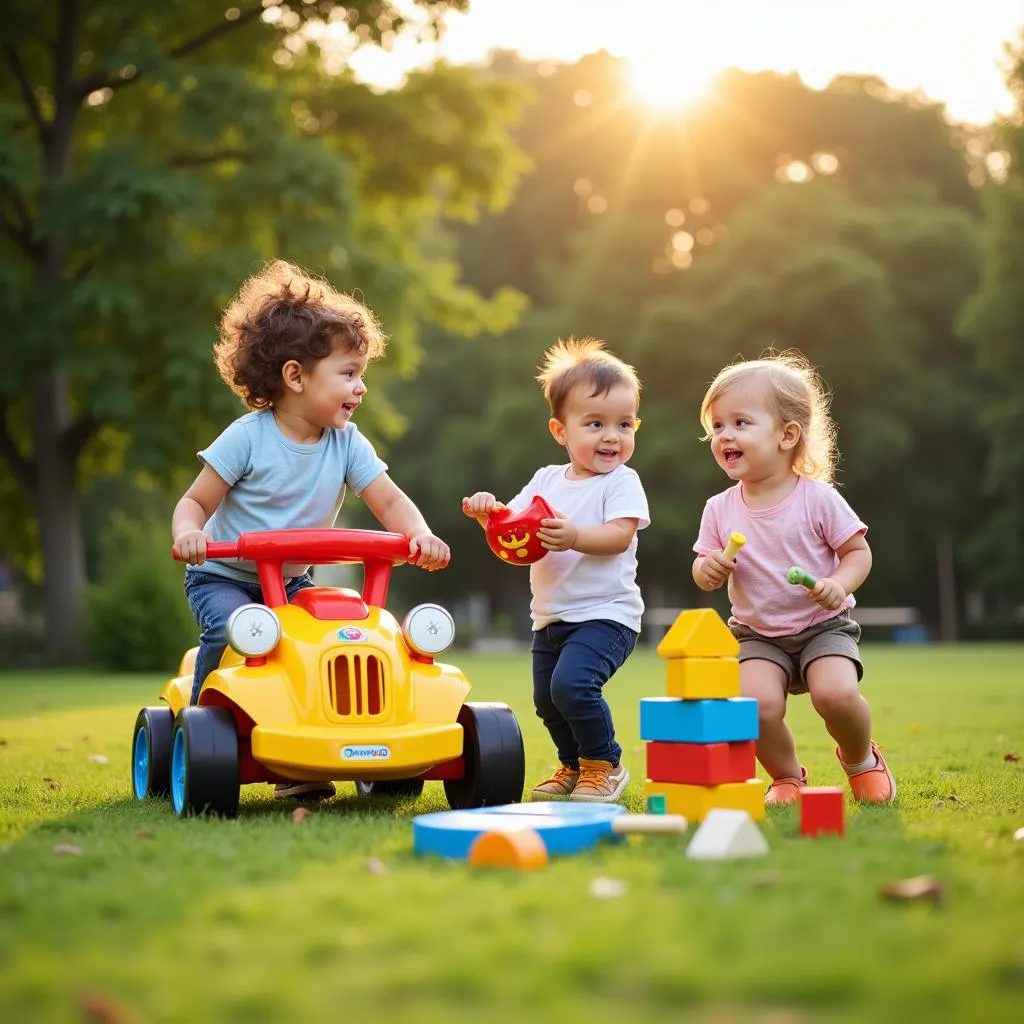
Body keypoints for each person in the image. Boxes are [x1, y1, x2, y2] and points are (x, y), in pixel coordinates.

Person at [171, 260, 449, 799]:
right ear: (296, 376)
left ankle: (332, 742)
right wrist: (190, 533)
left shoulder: (347, 443)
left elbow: (388, 499)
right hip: (227, 576)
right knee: (231, 629)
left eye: (362, 374)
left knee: (337, 636)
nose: (361, 387)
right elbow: (194, 500)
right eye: (348, 374)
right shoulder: (247, 438)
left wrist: (418, 533)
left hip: (292, 583)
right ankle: (205, 722)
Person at [691, 350, 895, 805]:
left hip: (823, 626)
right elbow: (703, 572)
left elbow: (857, 552)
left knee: (837, 695)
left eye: (741, 423)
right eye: (718, 426)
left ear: (787, 435)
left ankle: (862, 760)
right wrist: (707, 568)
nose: (725, 435)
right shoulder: (719, 508)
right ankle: (786, 778)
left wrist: (839, 584)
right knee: (755, 708)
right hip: (756, 634)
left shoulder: (817, 499)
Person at [463, 337, 650, 803]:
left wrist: (574, 537)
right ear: (560, 431)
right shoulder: (546, 480)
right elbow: (515, 527)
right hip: (550, 617)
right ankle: (573, 765)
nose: (612, 436)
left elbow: (619, 536)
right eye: (595, 423)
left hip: (606, 614)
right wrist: (491, 513)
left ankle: (604, 765)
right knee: (548, 700)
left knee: (573, 686)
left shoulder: (621, 482)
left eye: (624, 424)